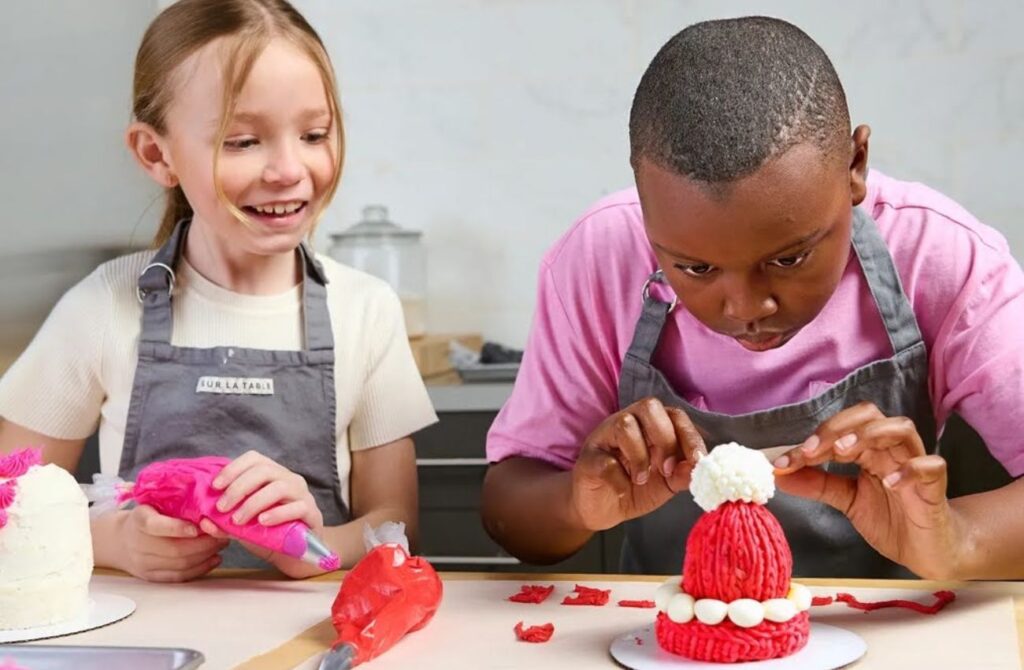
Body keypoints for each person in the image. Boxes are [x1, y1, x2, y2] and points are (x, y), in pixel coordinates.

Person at [482, 16, 1024, 579]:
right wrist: (576, 501)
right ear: (644, 204)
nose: (745, 309)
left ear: (855, 166)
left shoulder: (940, 254)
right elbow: (508, 509)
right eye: (694, 267)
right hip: (668, 651)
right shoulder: (598, 257)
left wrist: (957, 542)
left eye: (789, 259)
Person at [0, 0, 436, 582]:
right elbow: (11, 504)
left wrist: (316, 545)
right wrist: (111, 540)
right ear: (157, 154)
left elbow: (395, 522)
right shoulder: (104, 304)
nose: (288, 168)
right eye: (241, 142)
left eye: (314, 134)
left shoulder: (365, 309)